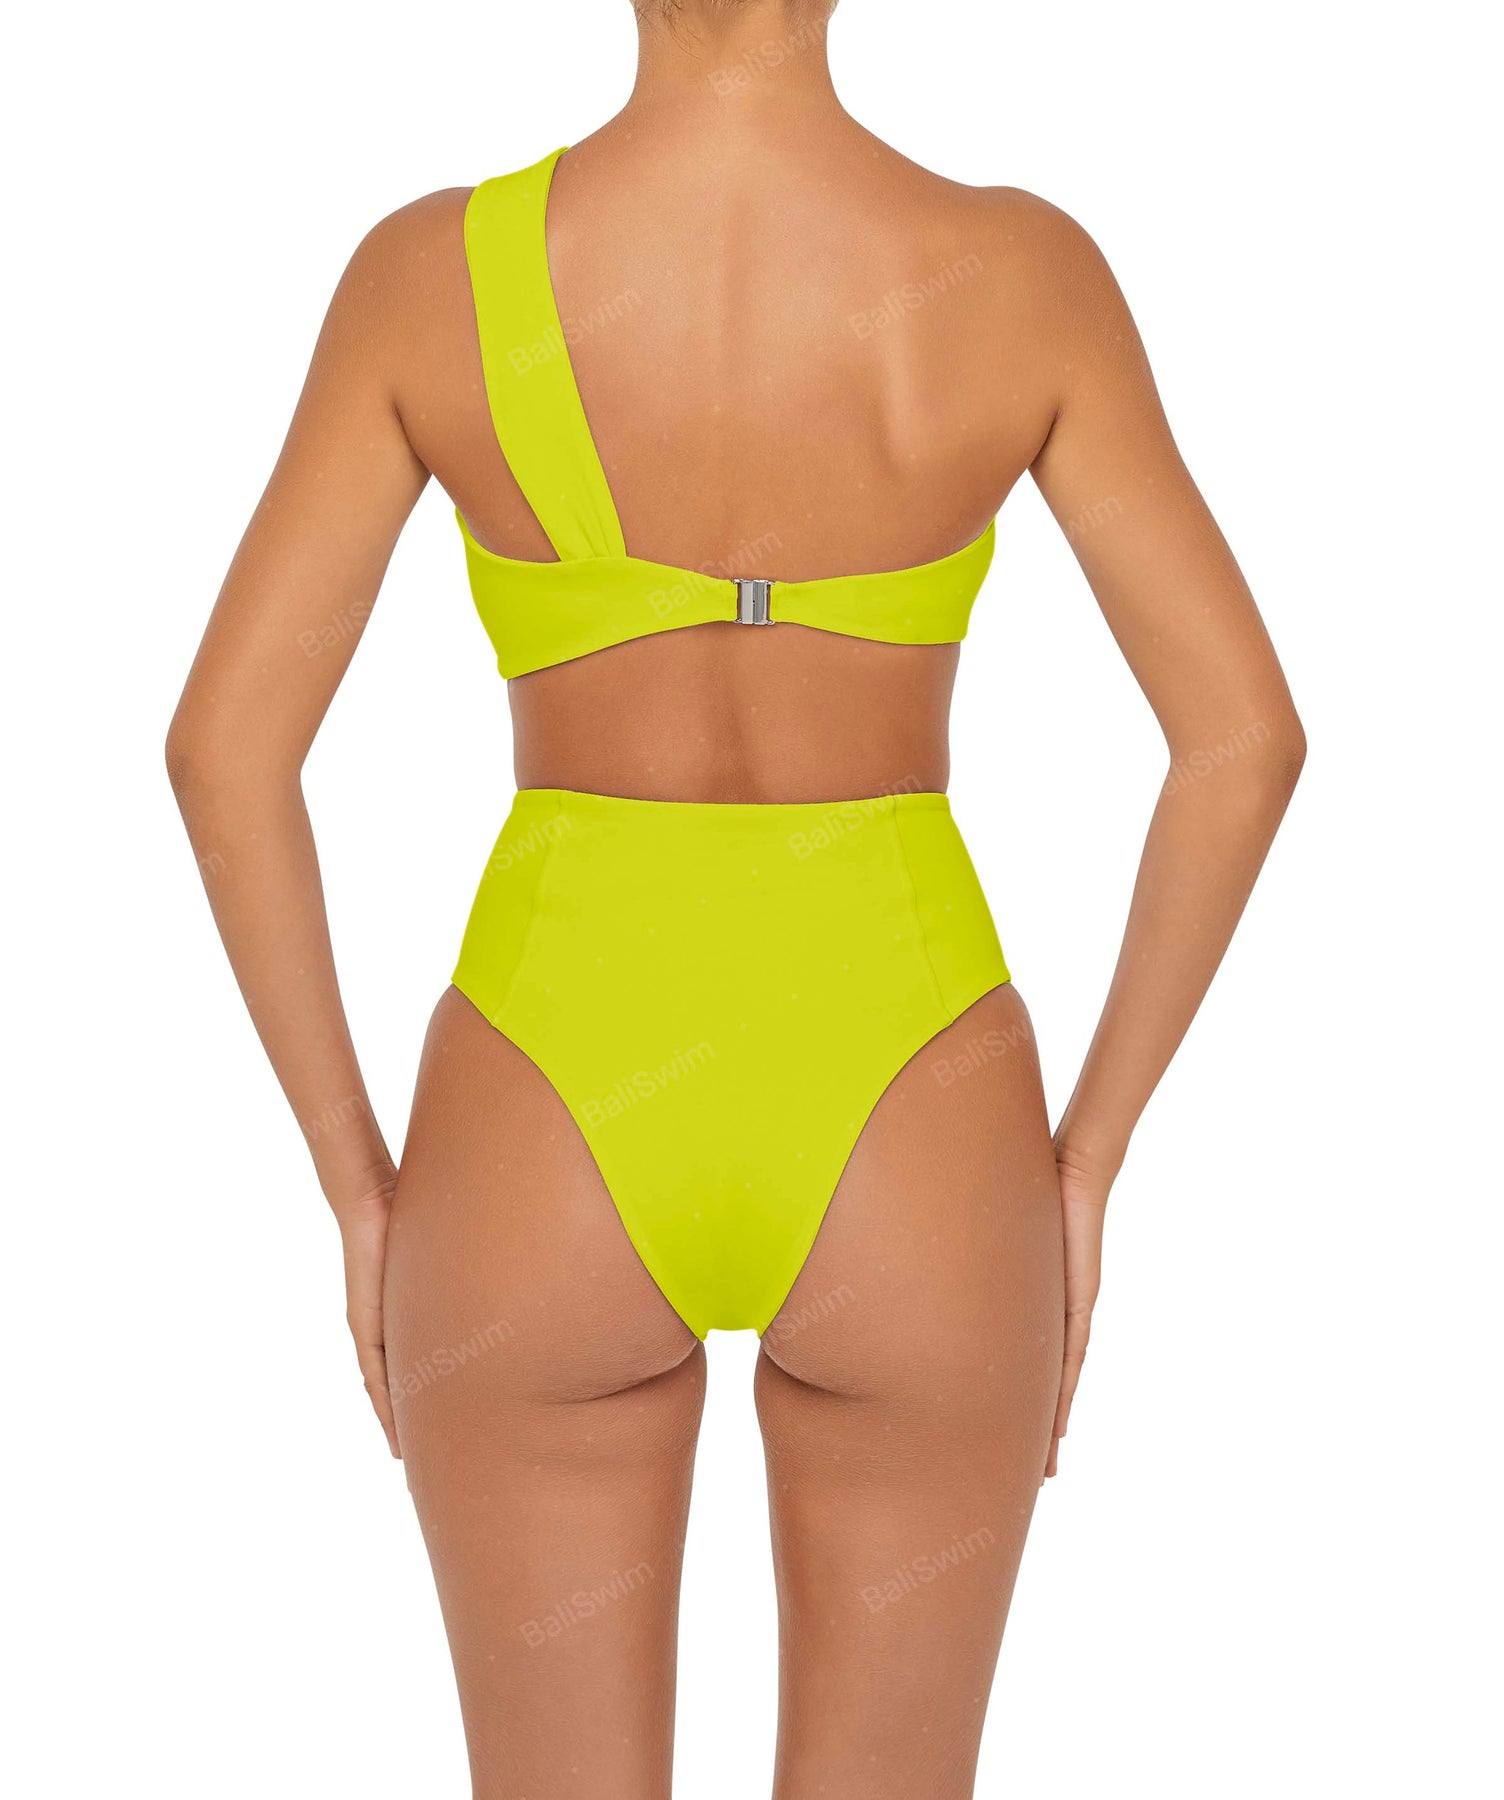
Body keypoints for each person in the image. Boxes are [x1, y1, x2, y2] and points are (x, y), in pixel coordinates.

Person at [166, 2, 1305, 1793]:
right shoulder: (1014, 274)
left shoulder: (427, 279)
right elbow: (1243, 741)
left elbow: (224, 752)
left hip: (544, 1103)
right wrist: (1087, 1162)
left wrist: (358, 1186)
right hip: (915, 1105)